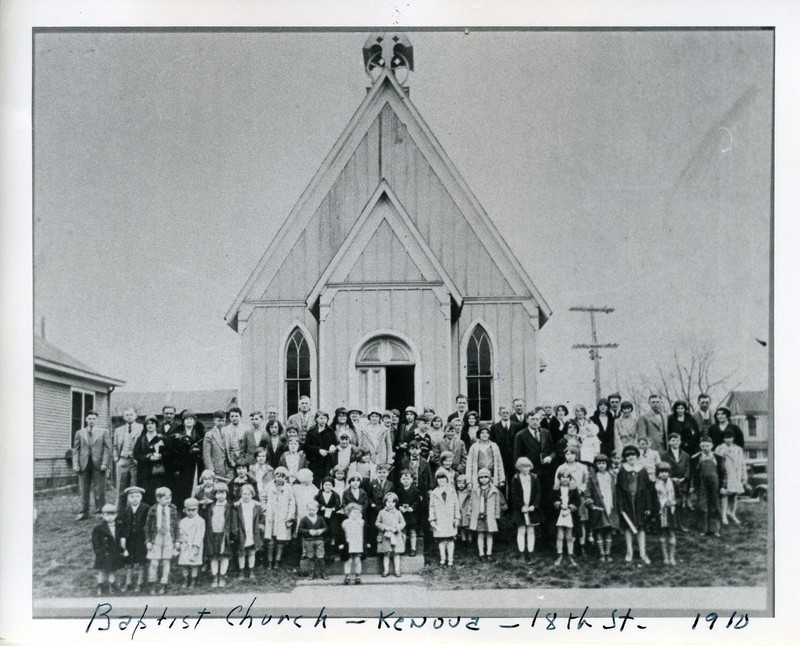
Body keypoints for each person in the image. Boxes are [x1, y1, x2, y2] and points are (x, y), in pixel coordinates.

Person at [616, 445, 655, 564]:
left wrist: (648, 506)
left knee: (641, 526)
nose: (630, 457)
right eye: (628, 456)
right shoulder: (622, 470)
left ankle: (643, 553)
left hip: (640, 502)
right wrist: (621, 506)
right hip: (627, 502)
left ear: (637, 456)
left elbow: (647, 489)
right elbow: (619, 490)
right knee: (628, 527)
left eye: (633, 455)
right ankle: (629, 552)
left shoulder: (642, 470)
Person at [73, 410, 112, 520]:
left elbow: (108, 449)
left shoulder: (103, 432)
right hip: (83, 465)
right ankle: (84, 512)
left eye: (94, 419)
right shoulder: (80, 433)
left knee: (99, 489)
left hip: (99, 464)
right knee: (83, 490)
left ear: (97, 420)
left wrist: (105, 463)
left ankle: (100, 511)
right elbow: (75, 450)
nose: (91, 421)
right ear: (86, 419)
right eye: (89, 419)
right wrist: (76, 464)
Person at [162, 410, 201, 510]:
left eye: (191, 419)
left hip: (195, 464)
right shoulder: (177, 434)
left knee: (194, 485)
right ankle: (181, 508)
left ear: (194, 421)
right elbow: (172, 452)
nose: (189, 421)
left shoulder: (199, 434)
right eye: (187, 419)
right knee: (181, 487)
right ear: (183, 421)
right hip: (181, 465)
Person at [145, 486, 179, 595]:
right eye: (166, 498)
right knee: (154, 562)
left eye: (170, 498)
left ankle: (164, 583)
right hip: (156, 537)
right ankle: (152, 583)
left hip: (169, 536)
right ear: (158, 499)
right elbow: (147, 527)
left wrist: (177, 540)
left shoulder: (173, 509)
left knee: (166, 561)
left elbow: (176, 526)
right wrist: (148, 541)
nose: (168, 500)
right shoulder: (153, 510)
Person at [586, 454, 619, 562]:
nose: (601, 466)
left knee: (608, 529)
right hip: (598, 506)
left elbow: (616, 492)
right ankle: (601, 553)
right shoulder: (592, 478)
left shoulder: (612, 477)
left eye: (603, 463)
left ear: (607, 464)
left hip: (610, 505)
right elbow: (588, 493)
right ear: (596, 465)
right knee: (599, 530)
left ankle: (608, 553)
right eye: (599, 463)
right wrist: (590, 503)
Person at [262, 467, 296, 569]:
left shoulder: (289, 488)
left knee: (281, 540)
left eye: (282, 476)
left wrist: (290, 516)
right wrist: (265, 510)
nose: (280, 478)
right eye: (278, 475)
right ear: (275, 476)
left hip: (283, 515)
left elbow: (292, 503)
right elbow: (263, 498)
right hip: (271, 515)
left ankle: (277, 561)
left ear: (285, 478)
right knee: (271, 539)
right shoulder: (268, 486)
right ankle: (269, 561)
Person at [117, 485, 149, 593]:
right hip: (130, 539)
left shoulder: (146, 509)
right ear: (128, 498)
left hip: (141, 539)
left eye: (137, 496)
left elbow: (149, 525)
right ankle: (128, 582)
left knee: (141, 560)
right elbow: (122, 525)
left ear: (141, 497)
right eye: (132, 496)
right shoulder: (126, 510)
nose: (134, 498)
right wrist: (123, 538)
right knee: (129, 561)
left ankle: (140, 582)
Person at [513, 411, 556, 489]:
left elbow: (553, 450)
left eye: (537, 419)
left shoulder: (546, 433)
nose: (535, 422)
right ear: (527, 420)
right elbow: (517, 455)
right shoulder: (520, 435)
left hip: (546, 471)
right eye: (532, 419)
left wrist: (550, 457)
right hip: (530, 471)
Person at [509, 457, 541, 562]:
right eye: (523, 466)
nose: (526, 469)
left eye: (527, 466)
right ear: (519, 467)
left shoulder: (534, 478)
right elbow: (514, 495)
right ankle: (522, 553)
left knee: (531, 530)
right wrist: (520, 506)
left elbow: (538, 493)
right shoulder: (515, 479)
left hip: (531, 509)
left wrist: (534, 505)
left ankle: (531, 552)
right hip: (520, 509)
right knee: (521, 530)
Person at [715, 429, 748, 525]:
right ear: (723, 439)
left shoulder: (738, 449)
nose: (728, 440)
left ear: (733, 438)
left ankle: (731, 513)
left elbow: (742, 463)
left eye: (730, 437)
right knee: (725, 495)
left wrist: (744, 477)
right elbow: (717, 463)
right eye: (726, 438)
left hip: (736, 476)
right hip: (726, 475)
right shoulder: (719, 448)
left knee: (734, 495)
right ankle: (723, 515)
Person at [205, 482, 234, 587]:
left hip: (224, 535)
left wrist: (232, 535)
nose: (220, 496)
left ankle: (222, 576)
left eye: (223, 493)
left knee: (224, 556)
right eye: (218, 493)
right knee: (213, 556)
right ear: (214, 494)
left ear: (226, 494)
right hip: (213, 534)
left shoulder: (230, 506)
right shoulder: (210, 506)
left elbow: (233, 522)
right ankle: (214, 576)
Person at [660, 432, 691, 531]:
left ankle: (680, 524)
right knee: (669, 503)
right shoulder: (664, 454)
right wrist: (670, 477)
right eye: (673, 440)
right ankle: (670, 524)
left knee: (680, 503)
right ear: (669, 442)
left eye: (678, 440)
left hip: (681, 483)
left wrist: (684, 478)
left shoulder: (685, 455)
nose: (676, 442)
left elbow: (688, 468)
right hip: (669, 482)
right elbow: (662, 467)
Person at [91, 503, 124, 596]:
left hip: (115, 552)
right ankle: (100, 585)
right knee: (102, 570)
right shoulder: (98, 528)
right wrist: (98, 552)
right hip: (103, 553)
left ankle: (111, 583)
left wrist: (121, 549)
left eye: (112, 515)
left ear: (116, 515)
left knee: (113, 569)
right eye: (107, 515)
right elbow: (95, 541)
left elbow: (120, 538)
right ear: (103, 515)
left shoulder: (119, 526)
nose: (109, 517)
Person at [133, 415, 166, 506]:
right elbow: (136, 454)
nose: (150, 425)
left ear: (156, 425)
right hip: (144, 471)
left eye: (152, 423)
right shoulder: (141, 439)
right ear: (145, 426)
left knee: (157, 493)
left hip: (157, 472)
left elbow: (168, 454)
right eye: (148, 424)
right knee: (145, 494)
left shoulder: (162, 438)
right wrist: (148, 457)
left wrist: (160, 456)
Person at [113, 407, 142, 511]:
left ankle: (132, 511)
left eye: (131, 414)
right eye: (127, 415)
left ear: (136, 415)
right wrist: (116, 459)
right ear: (124, 417)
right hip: (122, 461)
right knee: (121, 489)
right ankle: (119, 513)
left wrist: (138, 459)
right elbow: (115, 446)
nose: (129, 417)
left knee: (134, 489)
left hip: (135, 462)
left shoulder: (141, 428)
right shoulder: (118, 430)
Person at [429, 468, 459, 567]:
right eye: (439, 479)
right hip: (439, 519)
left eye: (443, 478)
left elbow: (456, 505)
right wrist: (432, 519)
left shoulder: (452, 491)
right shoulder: (434, 492)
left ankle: (450, 559)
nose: (441, 480)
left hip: (450, 519)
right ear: (436, 480)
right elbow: (431, 507)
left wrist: (456, 518)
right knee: (441, 540)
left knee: (450, 539)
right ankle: (443, 559)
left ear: (447, 479)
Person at [233, 484, 263, 579]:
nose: (246, 496)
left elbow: (262, 518)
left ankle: (251, 570)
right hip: (242, 531)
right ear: (241, 494)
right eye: (244, 494)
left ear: (252, 495)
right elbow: (234, 520)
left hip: (252, 531)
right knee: (241, 552)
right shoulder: (237, 506)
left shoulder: (256, 506)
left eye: (248, 494)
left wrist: (260, 525)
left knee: (251, 552)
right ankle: (241, 571)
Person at [652, 463, 678, 566]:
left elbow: (679, 497)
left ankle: (672, 557)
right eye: (661, 472)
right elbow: (652, 500)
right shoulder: (654, 485)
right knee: (662, 533)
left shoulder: (674, 484)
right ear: (657, 473)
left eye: (666, 472)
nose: (664, 474)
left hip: (671, 512)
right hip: (660, 512)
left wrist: (674, 502)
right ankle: (665, 557)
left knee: (671, 533)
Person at [553, 473, 580, 567]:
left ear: (570, 479)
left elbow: (577, 501)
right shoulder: (556, 489)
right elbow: (551, 500)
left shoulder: (573, 489)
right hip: (559, 514)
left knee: (569, 535)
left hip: (570, 514)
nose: (565, 479)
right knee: (560, 535)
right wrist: (559, 505)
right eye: (562, 477)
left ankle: (570, 555)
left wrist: (569, 508)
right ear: (559, 478)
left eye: (567, 477)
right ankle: (559, 554)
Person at [376, 492, 406, 577]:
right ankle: (386, 570)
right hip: (385, 536)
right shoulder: (381, 512)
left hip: (396, 535)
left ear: (395, 503)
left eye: (393, 502)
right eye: (388, 502)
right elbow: (377, 523)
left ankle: (397, 570)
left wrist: (396, 528)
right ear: (385, 502)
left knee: (396, 553)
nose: (390, 504)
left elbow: (403, 523)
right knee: (386, 553)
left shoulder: (398, 512)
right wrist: (384, 527)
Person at [203, 410, 239, 481]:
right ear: (214, 420)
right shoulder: (209, 435)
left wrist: (231, 460)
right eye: (219, 420)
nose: (221, 423)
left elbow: (231, 448)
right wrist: (210, 469)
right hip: (216, 469)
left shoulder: (227, 433)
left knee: (230, 487)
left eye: (223, 421)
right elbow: (206, 455)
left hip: (229, 467)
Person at [177, 497, 205, 588]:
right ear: (185, 510)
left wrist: (196, 546)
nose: (191, 512)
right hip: (185, 545)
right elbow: (180, 532)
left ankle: (193, 580)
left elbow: (200, 534)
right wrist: (181, 541)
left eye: (193, 510)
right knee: (184, 563)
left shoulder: (200, 521)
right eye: (188, 510)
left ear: (197, 509)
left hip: (194, 545)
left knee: (194, 564)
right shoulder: (183, 521)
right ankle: (185, 580)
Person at [304, 410, 337, 486]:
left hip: (327, 461)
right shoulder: (311, 431)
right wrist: (318, 450)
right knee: (315, 482)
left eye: (325, 418)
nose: (323, 420)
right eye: (321, 418)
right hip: (315, 461)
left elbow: (334, 442)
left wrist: (333, 445)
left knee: (326, 481)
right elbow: (306, 446)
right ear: (316, 419)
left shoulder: (330, 431)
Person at [298, 500, 329, 580]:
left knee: (320, 556)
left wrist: (321, 530)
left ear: (317, 510)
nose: (311, 511)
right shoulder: (304, 519)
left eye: (313, 510)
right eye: (309, 510)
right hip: (308, 540)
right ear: (306, 509)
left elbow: (326, 528)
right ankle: (311, 574)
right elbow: (300, 529)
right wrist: (308, 531)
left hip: (319, 540)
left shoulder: (320, 518)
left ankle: (323, 573)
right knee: (310, 556)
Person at [396, 469, 424, 556]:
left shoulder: (416, 491)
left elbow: (417, 501)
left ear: (412, 480)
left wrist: (412, 507)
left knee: (412, 532)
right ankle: (402, 548)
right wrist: (399, 506)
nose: (406, 481)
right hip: (402, 515)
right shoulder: (398, 491)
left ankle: (413, 548)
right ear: (400, 480)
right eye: (404, 479)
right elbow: (396, 501)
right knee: (403, 531)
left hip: (412, 515)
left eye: (408, 479)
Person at [339, 503, 366, 584]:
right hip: (348, 543)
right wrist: (341, 543)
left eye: (358, 512)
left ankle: (358, 575)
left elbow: (365, 532)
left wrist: (366, 543)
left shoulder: (361, 522)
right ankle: (347, 575)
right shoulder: (345, 522)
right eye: (354, 512)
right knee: (348, 560)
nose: (356, 514)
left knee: (357, 559)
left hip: (358, 543)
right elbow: (341, 534)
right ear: (349, 513)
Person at [315, 477, 341, 559]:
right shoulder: (319, 494)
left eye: (330, 485)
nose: (327, 487)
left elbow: (338, 505)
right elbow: (315, 502)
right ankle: (321, 552)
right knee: (322, 533)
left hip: (332, 517)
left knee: (332, 533)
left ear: (332, 486)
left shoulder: (335, 494)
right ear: (323, 485)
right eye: (326, 485)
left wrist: (333, 508)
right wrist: (321, 507)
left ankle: (331, 552)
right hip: (321, 516)